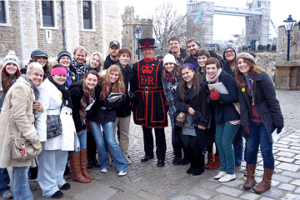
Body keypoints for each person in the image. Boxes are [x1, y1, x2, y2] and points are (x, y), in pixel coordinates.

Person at [235, 52, 284, 194]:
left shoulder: (262, 78)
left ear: (251, 62)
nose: (242, 65)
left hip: (265, 121)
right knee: (250, 149)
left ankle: (267, 181)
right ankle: (250, 177)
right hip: (252, 121)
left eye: (244, 62)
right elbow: (243, 105)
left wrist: (278, 121)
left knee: (266, 151)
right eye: (239, 63)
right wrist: (245, 124)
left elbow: (272, 100)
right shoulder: (241, 81)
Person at [0, 62, 43, 200]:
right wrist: (33, 137)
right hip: (17, 136)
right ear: (28, 74)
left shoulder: (28, 87)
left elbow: (25, 113)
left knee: (21, 171)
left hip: (19, 135)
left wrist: (37, 110)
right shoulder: (21, 87)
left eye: (41, 75)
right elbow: (18, 115)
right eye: (36, 74)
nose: (38, 77)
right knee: (20, 172)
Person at [36, 65, 76, 198]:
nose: (62, 77)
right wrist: (41, 135)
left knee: (61, 155)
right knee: (48, 158)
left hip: (63, 126)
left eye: (64, 75)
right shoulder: (45, 88)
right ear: (52, 75)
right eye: (59, 75)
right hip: (50, 126)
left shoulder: (62, 87)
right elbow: (41, 111)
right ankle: (48, 187)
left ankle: (58, 179)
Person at [131, 38, 168, 167]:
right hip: (142, 99)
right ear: (142, 51)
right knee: (145, 129)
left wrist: (166, 102)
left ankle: (161, 156)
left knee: (159, 129)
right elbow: (134, 84)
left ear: (153, 50)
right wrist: (134, 101)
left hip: (157, 98)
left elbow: (165, 84)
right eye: (145, 50)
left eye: (149, 49)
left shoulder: (160, 65)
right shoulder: (136, 66)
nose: (147, 52)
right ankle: (148, 153)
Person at [88, 65, 128, 176]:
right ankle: (104, 164)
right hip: (94, 116)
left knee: (111, 141)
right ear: (107, 73)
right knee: (100, 142)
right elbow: (97, 100)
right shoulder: (100, 84)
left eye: (116, 75)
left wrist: (107, 105)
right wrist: (106, 104)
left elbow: (118, 104)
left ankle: (122, 165)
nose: (113, 76)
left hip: (108, 116)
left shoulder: (120, 86)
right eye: (111, 74)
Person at [205, 58, 240, 183]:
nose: (210, 71)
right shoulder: (209, 80)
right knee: (219, 142)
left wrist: (219, 96)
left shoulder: (227, 78)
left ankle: (231, 172)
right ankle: (224, 169)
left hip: (232, 114)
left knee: (226, 142)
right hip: (220, 115)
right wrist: (211, 98)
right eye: (208, 68)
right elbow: (210, 98)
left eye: (213, 68)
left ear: (218, 68)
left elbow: (234, 96)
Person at [174, 63, 212, 176]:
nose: (186, 76)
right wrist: (187, 108)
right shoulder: (181, 86)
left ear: (193, 72)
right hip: (185, 120)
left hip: (197, 119)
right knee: (187, 144)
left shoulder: (202, 85)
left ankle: (200, 165)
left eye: (187, 73)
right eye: (183, 74)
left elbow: (206, 105)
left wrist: (203, 121)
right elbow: (177, 102)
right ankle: (193, 164)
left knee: (196, 145)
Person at [69, 71, 99, 183]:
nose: (92, 82)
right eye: (90, 79)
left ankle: (83, 170)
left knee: (83, 146)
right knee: (76, 147)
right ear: (84, 79)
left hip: (83, 122)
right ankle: (77, 173)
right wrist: (78, 127)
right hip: (75, 123)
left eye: (94, 80)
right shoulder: (76, 90)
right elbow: (74, 111)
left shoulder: (92, 91)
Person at [0, 51, 22, 199]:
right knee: (2, 156)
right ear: (4, 66)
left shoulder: (20, 82)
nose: (11, 66)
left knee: (16, 154)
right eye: (9, 64)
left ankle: (18, 183)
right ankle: (3, 186)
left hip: (16, 122)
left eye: (14, 64)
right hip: (2, 121)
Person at [161, 53, 188, 165]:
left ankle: (187, 155)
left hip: (183, 108)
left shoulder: (181, 75)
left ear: (174, 64)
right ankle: (177, 154)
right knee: (175, 133)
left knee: (186, 132)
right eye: (166, 64)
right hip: (172, 110)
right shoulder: (163, 77)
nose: (169, 66)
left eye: (170, 63)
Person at [222, 43, 244, 169]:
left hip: (238, 102)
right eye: (226, 51)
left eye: (231, 51)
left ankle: (237, 159)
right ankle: (228, 158)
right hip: (226, 102)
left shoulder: (240, 66)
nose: (229, 53)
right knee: (228, 135)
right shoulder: (224, 67)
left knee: (238, 135)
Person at [113, 48, 134, 164]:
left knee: (124, 133)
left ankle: (124, 154)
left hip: (125, 106)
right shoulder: (114, 69)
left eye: (127, 56)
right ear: (119, 57)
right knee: (112, 134)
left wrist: (132, 96)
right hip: (114, 106)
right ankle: (114, 156)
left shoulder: (130, 70)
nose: (125, 58)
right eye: (123, 56)